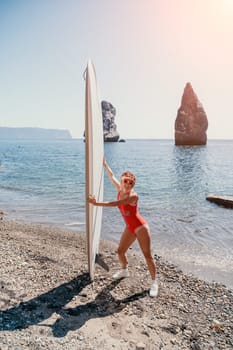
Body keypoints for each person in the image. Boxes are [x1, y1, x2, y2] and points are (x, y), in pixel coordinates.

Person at [88, 158, 158, 298]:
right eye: (125, 180)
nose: (128, 184)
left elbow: (116, 203)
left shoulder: (133, 196)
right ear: (122, 180)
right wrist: (105, 164)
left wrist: (96, 204)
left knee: (147, 256)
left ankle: (154, 282)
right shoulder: (120, 188)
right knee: (120, 251)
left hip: (140, 227)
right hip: (130, 227)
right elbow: (111, 176)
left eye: (131, 182)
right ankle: (124, 270)